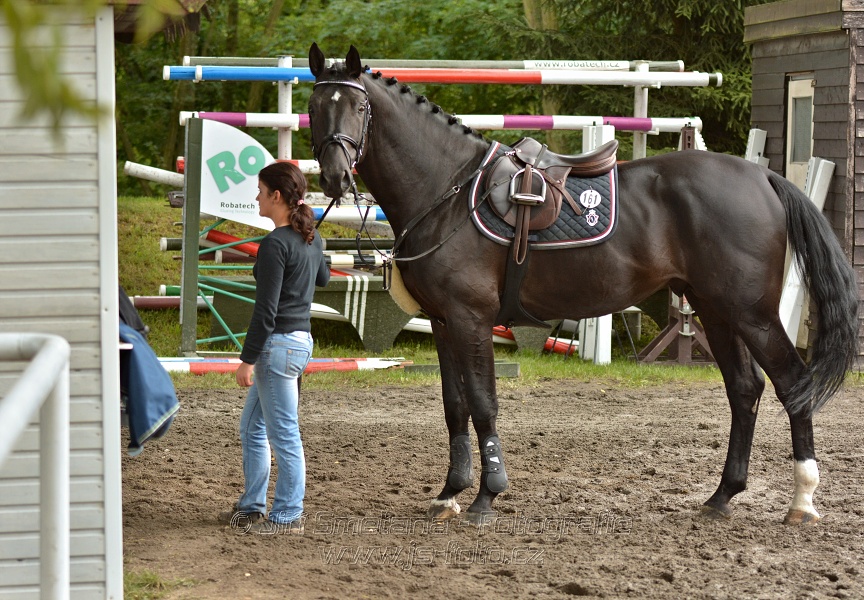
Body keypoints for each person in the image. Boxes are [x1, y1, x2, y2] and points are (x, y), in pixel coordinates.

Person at [219, 161, 330, 535]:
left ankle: (286, 515)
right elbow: (324, 277)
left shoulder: (273, 245)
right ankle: (251, 506)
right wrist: (313, 243)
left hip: (277, 347)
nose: (256, 197)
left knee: (283, 433)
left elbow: (265, 312)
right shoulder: (311, 241)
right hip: (300, 344)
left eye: (261, 191)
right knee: (252, 428)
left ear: (277, 196)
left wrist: (246, 361)